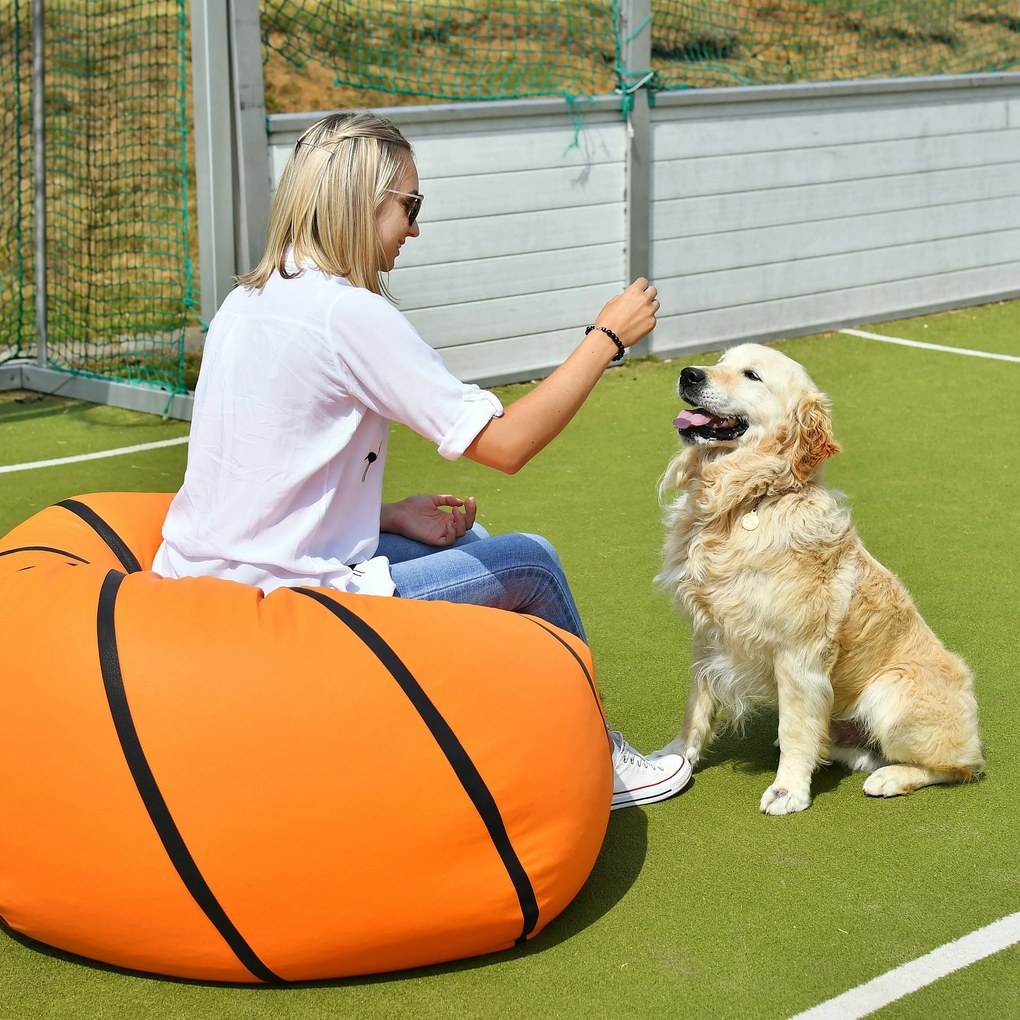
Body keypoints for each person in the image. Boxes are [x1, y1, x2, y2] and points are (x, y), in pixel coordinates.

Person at [153, 109, 691, 810]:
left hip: (196, 584)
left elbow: (254, 476)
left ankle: (489, 738)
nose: (416, 226)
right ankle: (595, 756)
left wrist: (383, 515)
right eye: (410, 204)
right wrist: (605, 339)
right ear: (360, 201)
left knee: (464, 539)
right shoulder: (346, 315)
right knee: (532, 563)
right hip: (283, 605)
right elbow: (505, 445)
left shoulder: (248, 300)